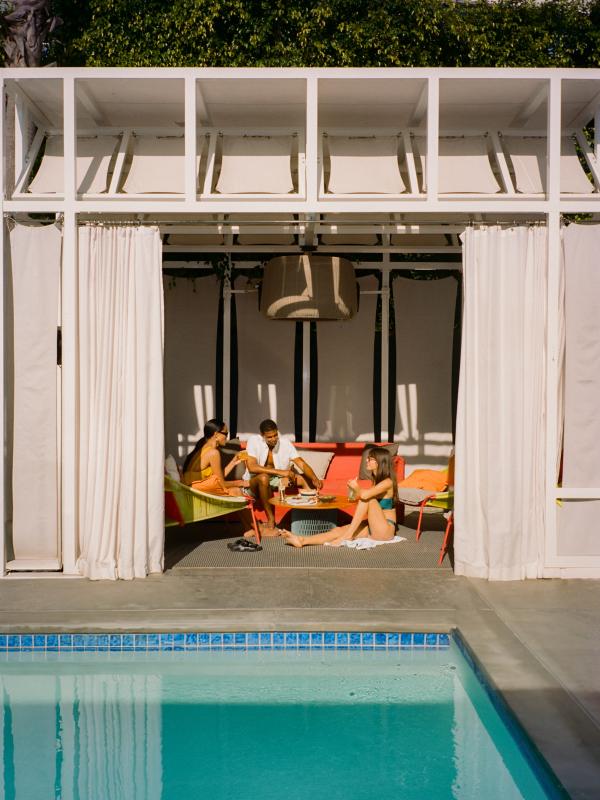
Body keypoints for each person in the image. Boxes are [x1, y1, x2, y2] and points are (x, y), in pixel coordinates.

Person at [282, 446, 397, 548]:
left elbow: (365, 496)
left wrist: (357, 488)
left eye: (370, 459)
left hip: (385, 530)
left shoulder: (388, 482)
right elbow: (359, 498)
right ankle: (302, 540)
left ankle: (347, 536)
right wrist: (353, 490)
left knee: (368, 499)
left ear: (379, 462)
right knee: (338, 530)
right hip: (373, 526)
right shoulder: (376, 482)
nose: (366, 460)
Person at [244, 419, 323, 535]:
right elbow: (252, 467)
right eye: (269, 437)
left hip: (275, 479)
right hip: (255, 479)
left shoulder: (285, 443)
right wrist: (281, 472)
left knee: (303, 479)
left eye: (275, 435)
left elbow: (300, 463)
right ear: (262, 435)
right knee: (264, 478)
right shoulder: (254, 441)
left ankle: (309, 517)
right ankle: (271, 521)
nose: (273, 439)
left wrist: (314, 478)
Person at [182, 418, 248, 491]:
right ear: (216, 434)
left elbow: (219, 477)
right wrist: (240, 483)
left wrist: (233, 462)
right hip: (195, 491)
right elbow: (221, 483)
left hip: (191, 488)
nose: (227, 437)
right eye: (225, 434)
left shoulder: (204, 447)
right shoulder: (213, 453)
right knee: (236, 491)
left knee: (235, 490)